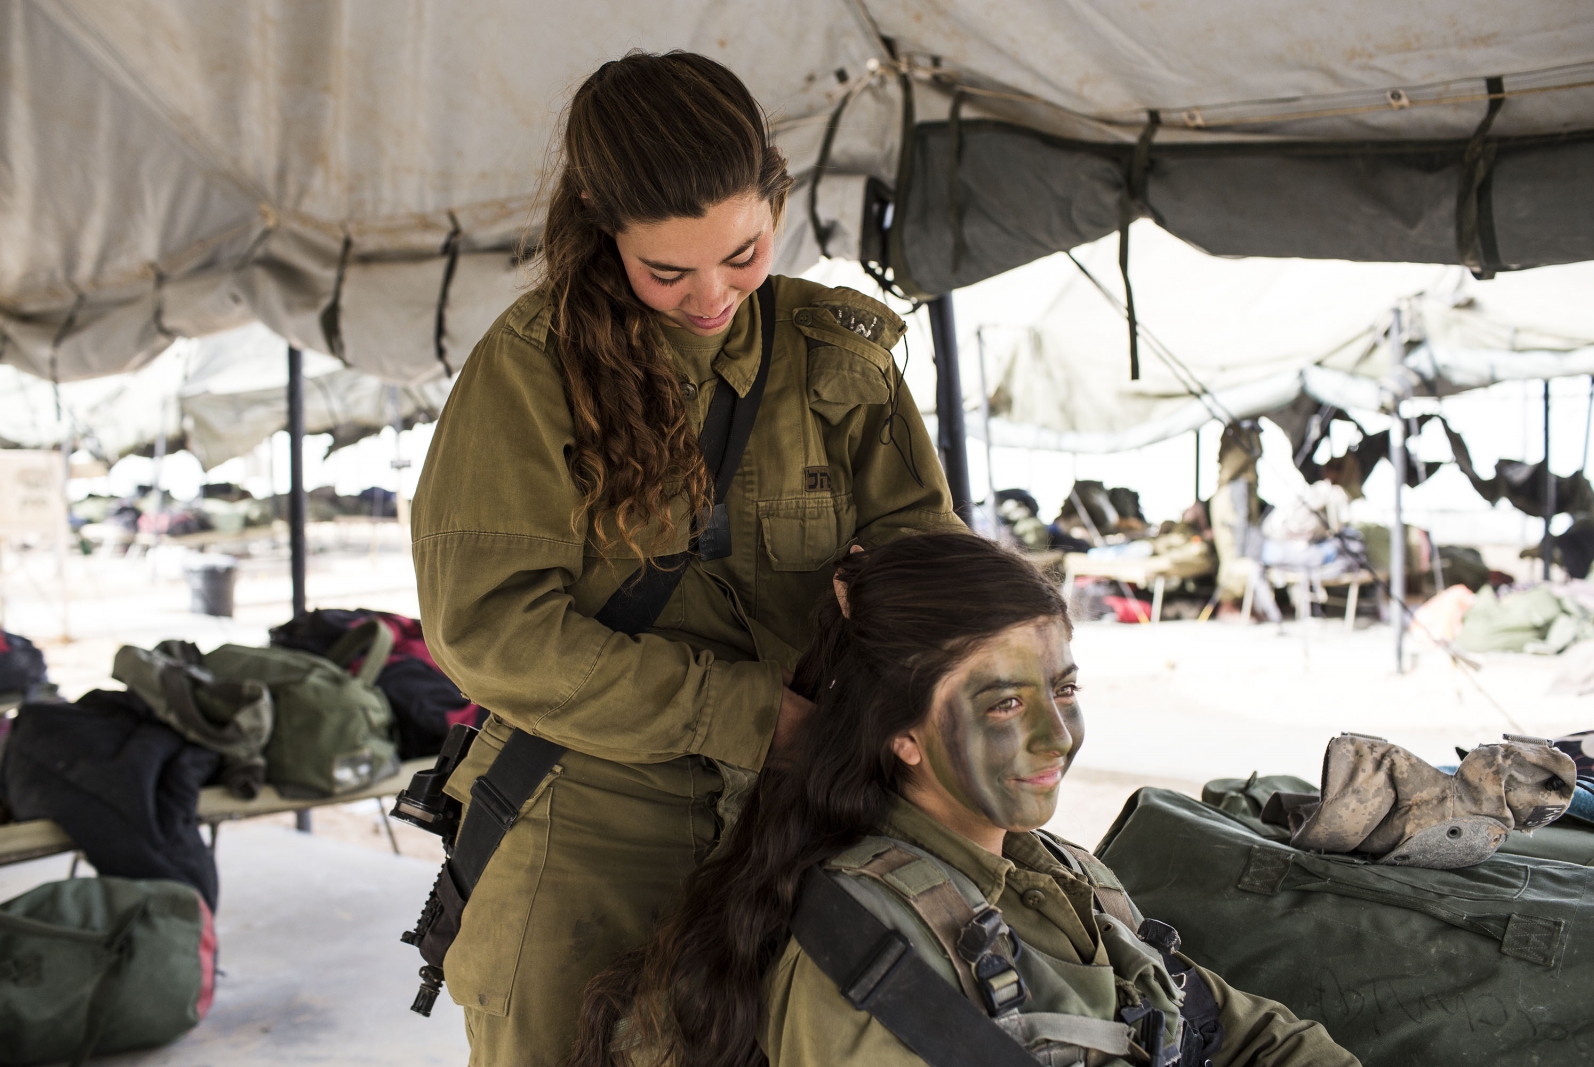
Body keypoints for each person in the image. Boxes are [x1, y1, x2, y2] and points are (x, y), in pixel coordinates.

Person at [409, 51, 962, 1066]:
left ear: (779, 200)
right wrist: (751, 712)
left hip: (791, 820)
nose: (712, 294)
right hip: (587, 822)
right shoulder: (531, 370)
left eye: (745, 252)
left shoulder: (835, 358)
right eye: (666, 270)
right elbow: (490, 629)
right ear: (598, 218)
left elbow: (931, 570)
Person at [567, 532, 1360, 1067]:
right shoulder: (866, 948)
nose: (1058, 736)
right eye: (1005, 705)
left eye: (1065, 687)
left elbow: (1238, 1026)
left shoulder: (1059, 874)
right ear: (902, 732)